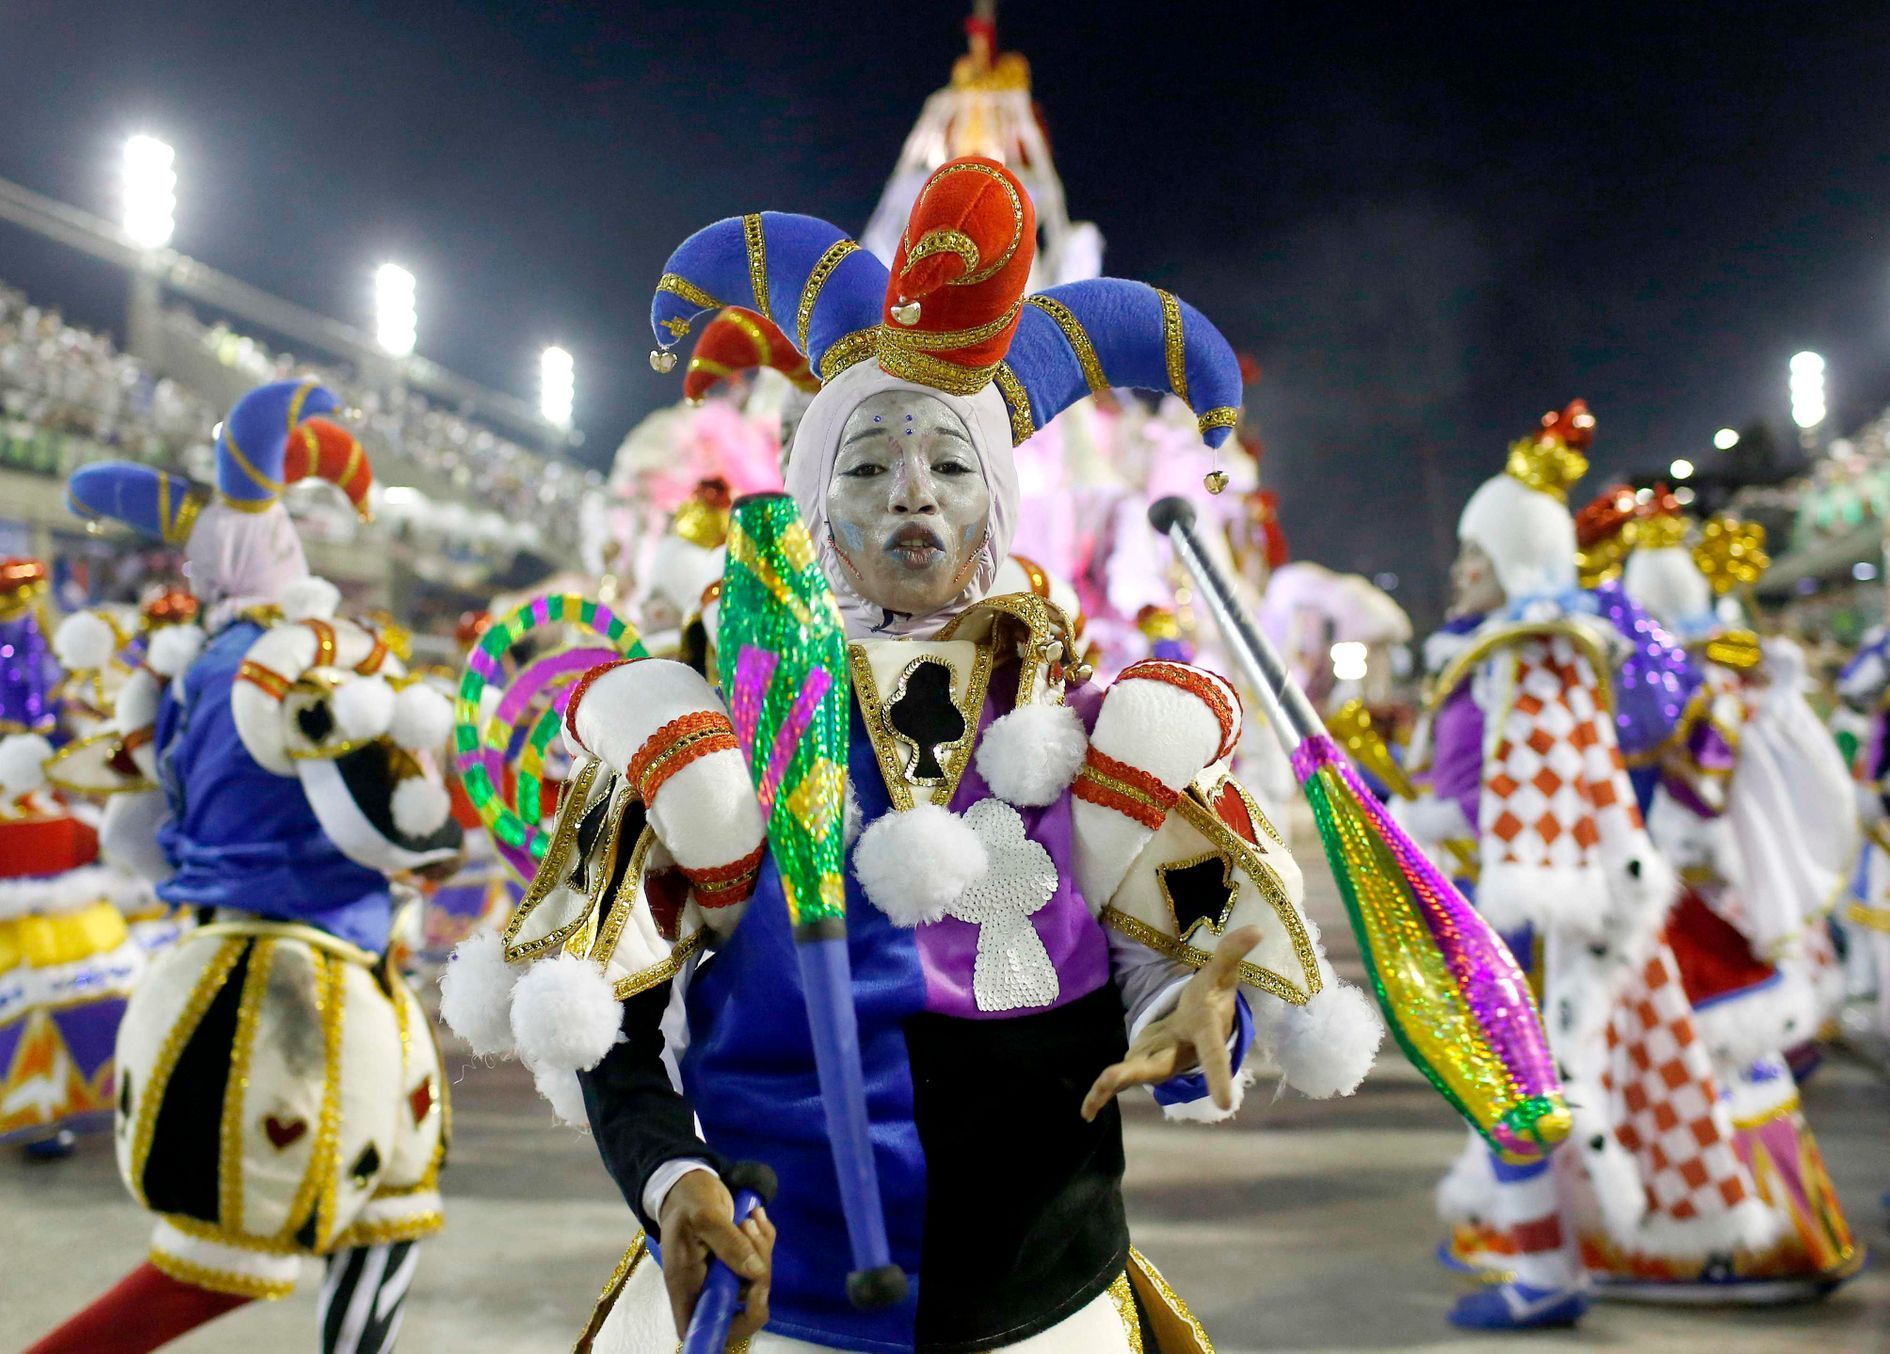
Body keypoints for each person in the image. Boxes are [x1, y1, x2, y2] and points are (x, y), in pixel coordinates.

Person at [443, 156, 1381, 1353]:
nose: (913, 501)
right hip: (785, 1309)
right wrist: (674, 1181)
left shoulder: (1093, 734)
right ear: (810, 496)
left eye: (950, 466)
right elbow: (607, 1025)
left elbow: (1172, 988)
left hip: (1048, 1303)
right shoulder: (714, 731)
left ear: (996, 499)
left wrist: (1206, 1019)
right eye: (870, 465)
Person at [27, 383, 462, 1354]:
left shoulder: (188, 668)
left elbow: (136, 836)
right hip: (286, 988)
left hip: (295, 964)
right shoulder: (296, 662)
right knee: (220, 1258)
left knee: (390, 1212)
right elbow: (399, 826)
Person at [1400, 405, 1775, 1329]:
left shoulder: (1532, 651)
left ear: (1513, 563)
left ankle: (1544, 1278)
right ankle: (1542, 1257)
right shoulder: (1520, 649)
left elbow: (1526, 807)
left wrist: (1415, 822)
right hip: (1518, 904)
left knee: (1520, 1089)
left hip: (1535, 919)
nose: (1458, 574)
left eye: (1473, 557)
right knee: (1521, 1091)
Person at [1575, 487, 1861, 1297]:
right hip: (1694, 905)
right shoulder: (1724, 690)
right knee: (1716, 1072)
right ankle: (1774, 1240)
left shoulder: (1696, 697)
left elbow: (1698, 797)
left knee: (1681, 1075)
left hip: (1679, 912)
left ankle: (1722, 1249)